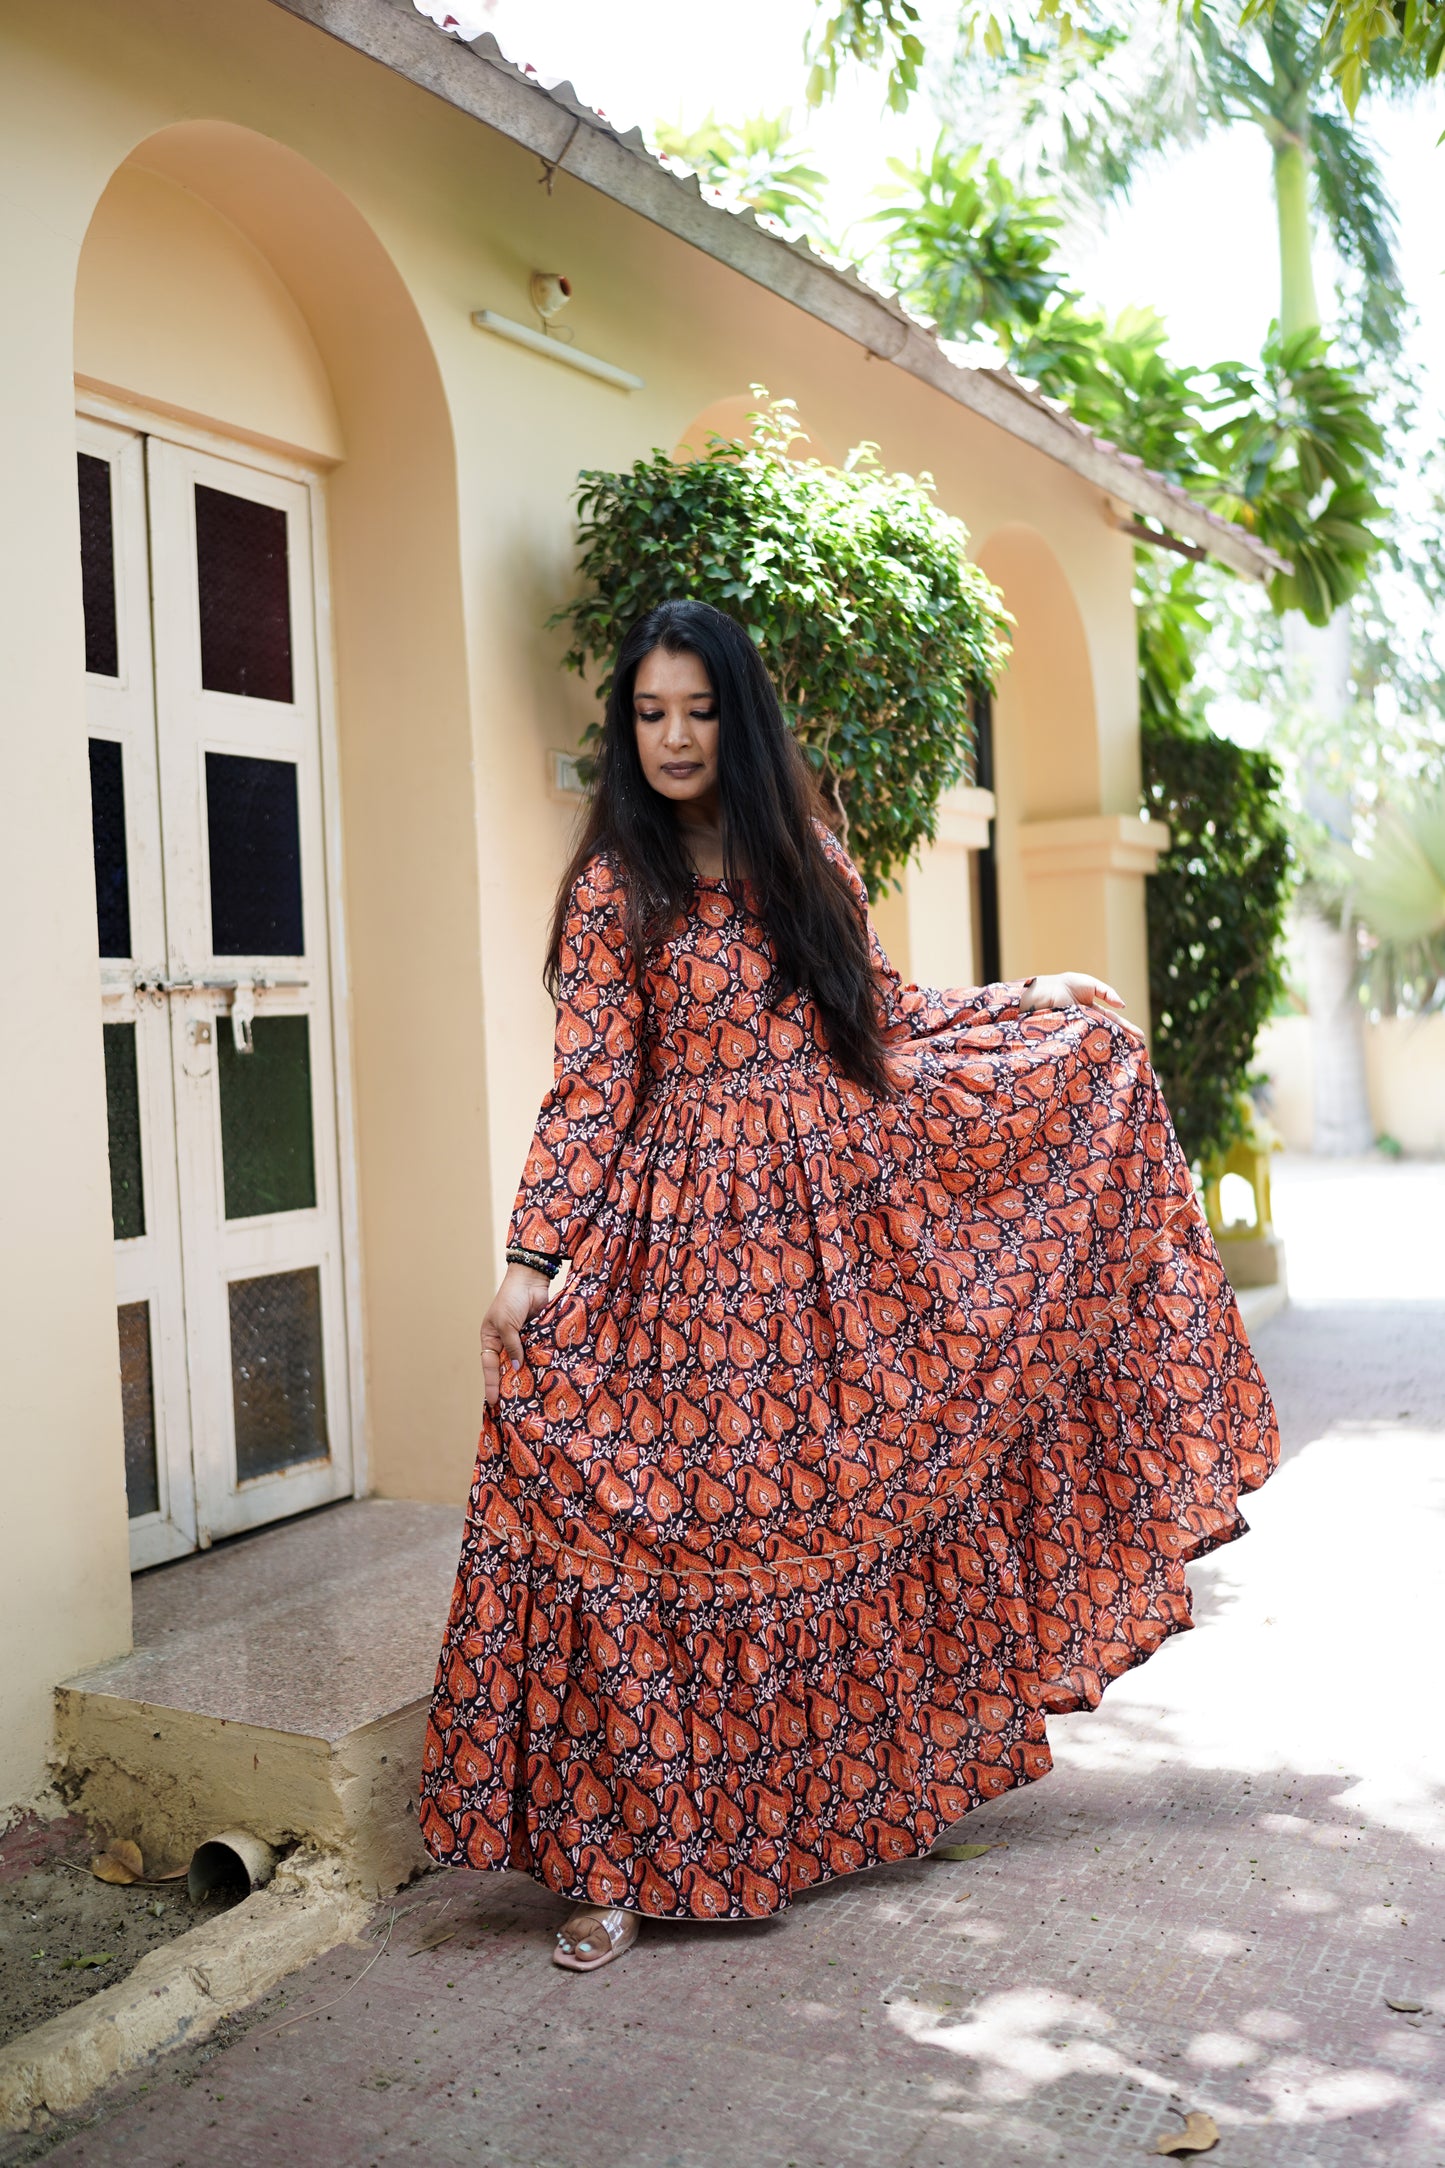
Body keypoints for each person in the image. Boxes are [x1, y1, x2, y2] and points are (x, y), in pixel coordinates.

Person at [419, 598, 1279, 1972]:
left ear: (740, 717)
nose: (674, 736)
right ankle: (617, 1862)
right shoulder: (612, 890)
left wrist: (1030, 999)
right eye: (649, 714)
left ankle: (809, 1818)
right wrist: (531, 1262)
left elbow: (882, 1017)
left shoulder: (805, 856)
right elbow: (590, 1088)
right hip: (677, 1259)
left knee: (816, 1524)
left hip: (828, 1262)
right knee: (658, 1538)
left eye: (698, 710)